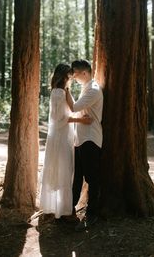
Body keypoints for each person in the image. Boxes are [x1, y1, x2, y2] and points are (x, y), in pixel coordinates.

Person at [40, 63, 93, 219]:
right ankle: (63, 211)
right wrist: (81, 121)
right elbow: (58, 119)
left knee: (64, 170)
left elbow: (71, 108)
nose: (72, 78)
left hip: (66, 135)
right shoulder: (57, 93)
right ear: (64, 76)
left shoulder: (63, 91)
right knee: (62, 171)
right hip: (59, 136)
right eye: (70, 76)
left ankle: (58, 208)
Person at [66, 59, 103, 231]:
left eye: (74, 74)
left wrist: (63, 88)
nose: (73, 77)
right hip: (80, 139)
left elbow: (74, 107)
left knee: (92, 178)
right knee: (78, 177)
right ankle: (70, 211)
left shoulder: (94, 90)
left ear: (84, 73)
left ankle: (92, 215)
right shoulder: (85, 88)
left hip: (90, 139)